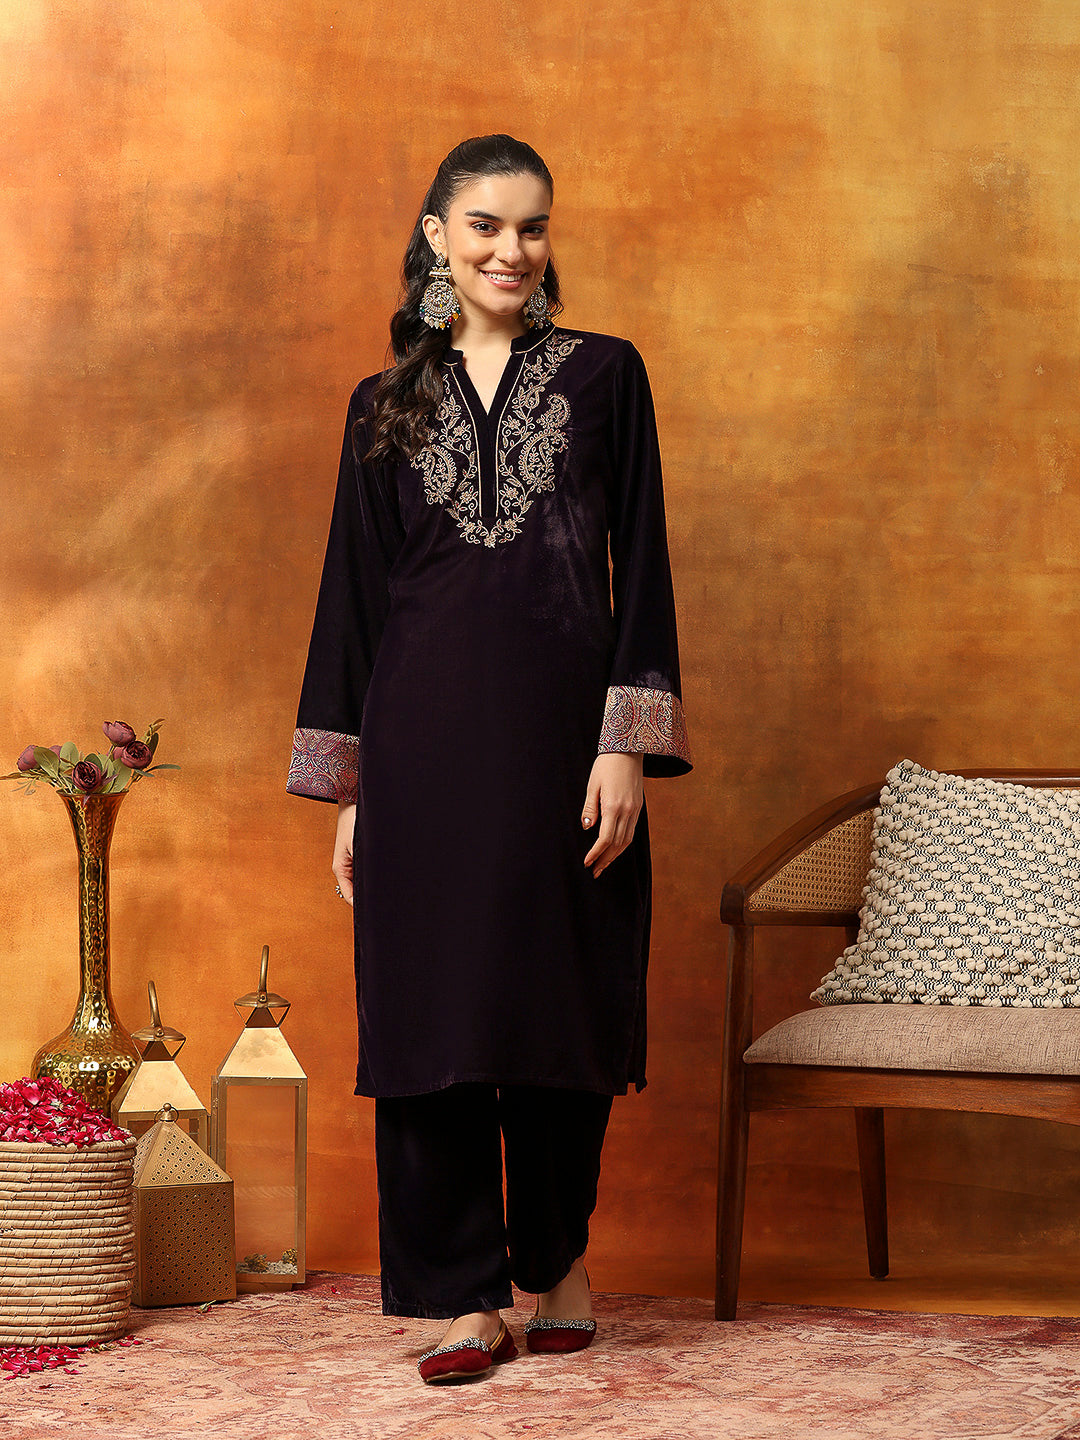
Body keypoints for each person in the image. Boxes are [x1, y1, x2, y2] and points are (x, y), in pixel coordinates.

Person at [287, 134, 691, 1383]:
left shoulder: (607, 376)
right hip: (420, 752)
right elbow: (354, 604)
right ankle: (463, 1297)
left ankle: (556, 1264)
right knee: (432, 1020)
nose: (512, 251)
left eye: (532, 227)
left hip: (565, 750)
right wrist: (351, 791)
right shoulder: (383, 405)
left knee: (558, 1011)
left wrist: (627, 743)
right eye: (485, 226)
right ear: (437, 235)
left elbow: (643, 571)